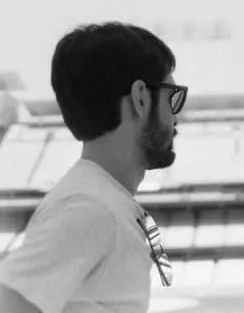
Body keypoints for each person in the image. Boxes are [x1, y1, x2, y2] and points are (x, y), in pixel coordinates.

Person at [0, 22, 188, 313]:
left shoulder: (101, 199)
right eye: (171, 97)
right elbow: (9, 299)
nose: (178, 116)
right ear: (140, 98)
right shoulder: (90, 207)